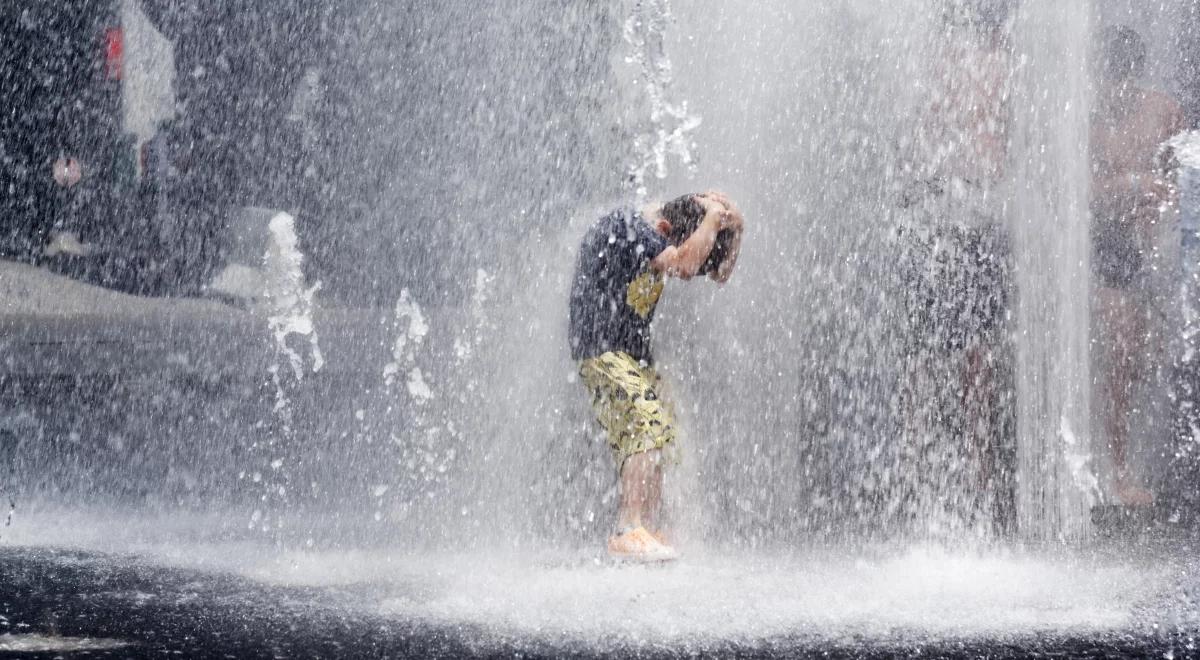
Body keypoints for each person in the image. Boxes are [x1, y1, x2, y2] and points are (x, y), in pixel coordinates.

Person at [569, 191, 743, 562]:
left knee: (664, 429)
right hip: (601, 353)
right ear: (666, 229)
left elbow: (718, 274)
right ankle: (627, 527)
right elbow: (682, 263)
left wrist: (736, 230)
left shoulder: (658, 233)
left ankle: (646, 526)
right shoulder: (630, 226)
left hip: (632, 359)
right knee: (645, 424)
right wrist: (711, 219)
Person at [896, 0, 1014, 530]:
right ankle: (960, 479)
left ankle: (942, 478)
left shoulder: (950, 63)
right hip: (950, 213)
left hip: (960, 215)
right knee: (953, 362)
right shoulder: (979, 63)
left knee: (959, 362)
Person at [1090, 25, 1185, 507]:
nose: (1118, 92)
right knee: (1123, 348)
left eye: (1126, 80)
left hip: (1155, 246)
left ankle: (1143, 458)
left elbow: (1183, 176)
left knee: (1147, 355)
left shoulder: (1165, 112)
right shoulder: (1088, 120)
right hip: (1108, 243)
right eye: (1112, 80)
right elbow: (1077, 193)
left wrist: (1164, 199)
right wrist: (1130, 185)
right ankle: (1119, 471)